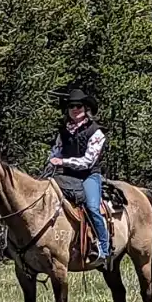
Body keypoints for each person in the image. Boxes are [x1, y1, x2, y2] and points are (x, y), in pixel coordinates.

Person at [48, 88, 110, 264]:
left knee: (92, 207)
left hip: (88, 175)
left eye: (79, 106)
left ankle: (104, 249)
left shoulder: (96, 132)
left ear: (86, 108)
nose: (75, 109)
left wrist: (63, 162)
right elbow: (56, 152)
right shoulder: (63, 132)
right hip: (66, 176)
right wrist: (52, 161)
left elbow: (88, 161)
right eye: (71, 106)